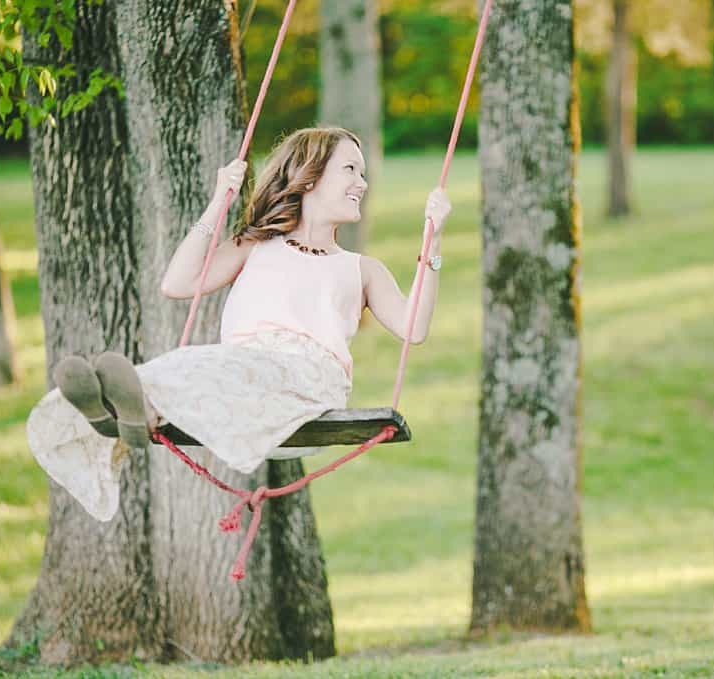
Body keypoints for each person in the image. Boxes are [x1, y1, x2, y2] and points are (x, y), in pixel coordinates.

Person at [27, 127, 449, 521]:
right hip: (244, 366)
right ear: (309, 178)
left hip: (308, 381)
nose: (363, 182)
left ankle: (138, 406)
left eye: (363, 172)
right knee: (192, 364)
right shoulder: (256, 244)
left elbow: (414, 328)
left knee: (209, 368)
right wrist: (218, 201)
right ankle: (120, 415)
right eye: (350, 170)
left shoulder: (362, 269)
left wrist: (434, 240)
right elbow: (178, 282)